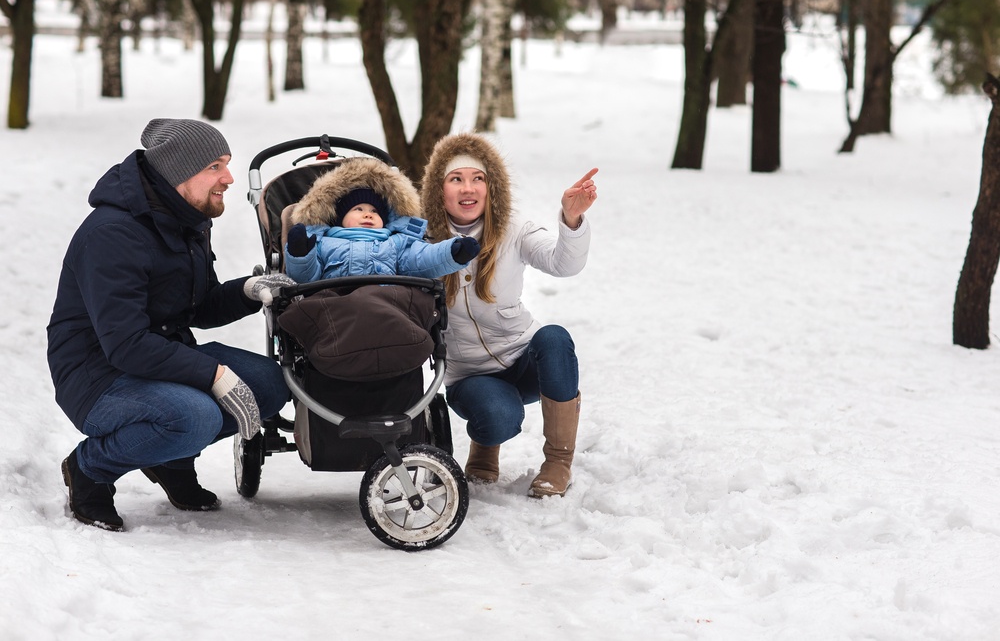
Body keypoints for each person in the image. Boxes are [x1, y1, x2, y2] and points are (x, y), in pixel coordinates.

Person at [47, 118, 295, 532]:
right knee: (194, 416)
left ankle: (171, 460)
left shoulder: (187, 219)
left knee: (269, 383)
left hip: (158, 359)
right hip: (98, 377)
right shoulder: (112, 235)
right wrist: (213, 374)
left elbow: (198, 307)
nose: (229, 178)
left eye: (227, 165)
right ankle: (89, 469)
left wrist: (250, 290)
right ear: (178, 171)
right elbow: (125, 345)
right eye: (215, 166)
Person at [419, 133, 598, 497]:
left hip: (523, 359)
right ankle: (485, 448)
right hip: (470, 375)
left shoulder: (514, 230)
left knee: (554, 338)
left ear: (491, 186)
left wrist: (572, 218)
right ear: (440, 190)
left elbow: (562, 263)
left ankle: (558, 463)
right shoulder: (421, 241)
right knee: (500, 417)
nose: (468, 188)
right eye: (456, 179)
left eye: (478, 178)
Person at [283, 156, 480, 281]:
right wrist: (301, 253)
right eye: (358, 209)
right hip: (333, 310)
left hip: (387, 310)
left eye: (375, 211)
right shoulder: (323, 243)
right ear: (338, 219)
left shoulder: (396, 243)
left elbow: (422, 260)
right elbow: (305, 277)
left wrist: (452, 252)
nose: (368, 214)